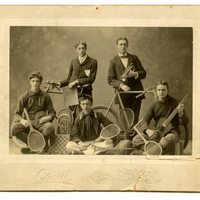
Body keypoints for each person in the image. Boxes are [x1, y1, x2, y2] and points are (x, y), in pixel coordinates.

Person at [132, 81, 188, 155]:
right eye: (159, 90)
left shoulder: (176, 103)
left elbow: (185, 121)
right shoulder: (154, 104)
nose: (161, 92)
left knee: (166, 140)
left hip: (172, 132)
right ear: (156, 91)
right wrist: (147, 130)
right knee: (136, 140)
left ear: (168, 91)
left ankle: (150, 152)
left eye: (163, 90)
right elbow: (145, 120)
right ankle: (156, 150)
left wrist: (181, 113)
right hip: (158, 132)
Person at [67, 94, 132, 154]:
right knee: (69, 145)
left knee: (108, 144)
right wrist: (80, 143)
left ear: (91, 104)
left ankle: (84, 152)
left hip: (97, 143)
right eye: (83, 104)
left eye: (87, 104)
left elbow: (111, 127)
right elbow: (75, 133)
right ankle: (87, 151)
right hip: (83, 143)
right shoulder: (78, 118)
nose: (85, 107)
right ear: (80, 105)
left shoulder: (98, 115)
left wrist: (109, 138)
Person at [11, 72, 56, 154]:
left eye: (37, 81)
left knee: (50, 128)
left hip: (41, 123)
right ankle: (34, 145)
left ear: (40, 83)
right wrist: (23, 121)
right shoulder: (24, 96)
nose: (35, 83)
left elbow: (52, 113)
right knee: (14, 129)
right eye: (33, 81)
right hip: (28, 123)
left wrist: (48, 117)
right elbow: (17, 114)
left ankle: (36, 146)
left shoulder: (46, 96)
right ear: (30, 82)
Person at [107, 37, 146, 127]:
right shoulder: (113, 61)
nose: (123, 46)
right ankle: (125, 137)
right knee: (124, 118)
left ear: (127, 45)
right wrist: (121, 86)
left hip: (136, 92)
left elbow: (143, 73)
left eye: (125, 44)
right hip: (122, 93)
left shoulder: (134, 58)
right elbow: (110, 79)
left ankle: (134, 137)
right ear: (117, 46)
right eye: (121, 44)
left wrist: (135, 74)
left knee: (135, 118)